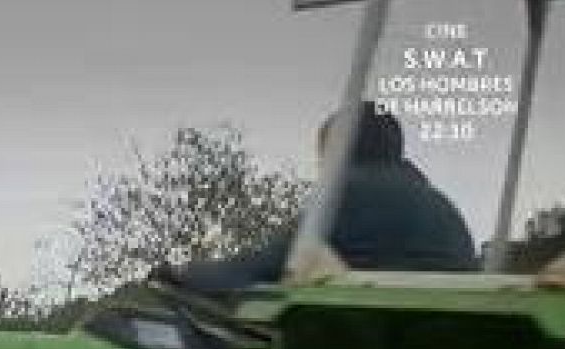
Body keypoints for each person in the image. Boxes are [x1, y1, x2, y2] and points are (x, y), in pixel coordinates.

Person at [170, 102, 478, 294]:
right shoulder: (442, 208)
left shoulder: (347, 197)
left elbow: (262, 266)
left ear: (337, 150)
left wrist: (183, 274)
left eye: (321, 156)